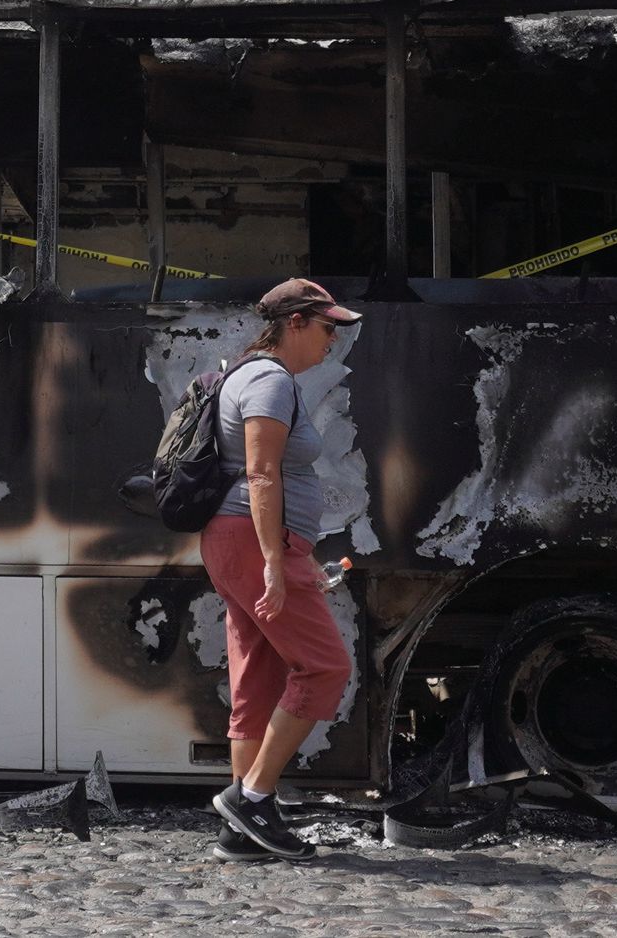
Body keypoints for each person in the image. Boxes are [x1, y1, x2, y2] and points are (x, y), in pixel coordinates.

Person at [205, 277, 362, 861]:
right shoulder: (270, 381)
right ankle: (253, 798)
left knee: (259, 678)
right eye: (326, 328)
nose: (333, 341)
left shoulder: (252, 375)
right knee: (325, 667)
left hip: (242, 541)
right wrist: (275, 561)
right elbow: (261, 474)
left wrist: (287, 553)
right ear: (294, 323)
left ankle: (238, 832)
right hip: (253, 541)